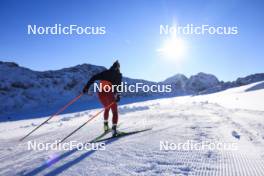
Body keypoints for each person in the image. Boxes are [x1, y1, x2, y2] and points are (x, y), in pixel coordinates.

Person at [82, 60, 122, 136]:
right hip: (109, 92)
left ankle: (106, 127)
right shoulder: (118, 74)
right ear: (118, 67)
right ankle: (114, 131)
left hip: (101, 93)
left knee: (106, 108)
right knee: (114, 111)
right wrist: (118, 95)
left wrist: (86, 87)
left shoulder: (105, 72)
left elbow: (93, 78)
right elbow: (119, 85)